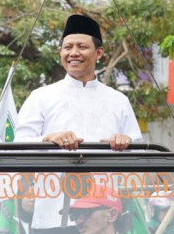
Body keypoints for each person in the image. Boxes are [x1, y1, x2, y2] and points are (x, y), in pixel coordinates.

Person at [15, 14, 143, 151]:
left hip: (104, 173)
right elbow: (19, 145)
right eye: (68, 47)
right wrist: (48, 138)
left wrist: (126, 142)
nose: (74, 53)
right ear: (60, 52)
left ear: (99, 53)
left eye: (82, 47)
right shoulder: (40, 97)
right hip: (53, 173)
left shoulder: (119, 100)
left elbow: (139, 151)